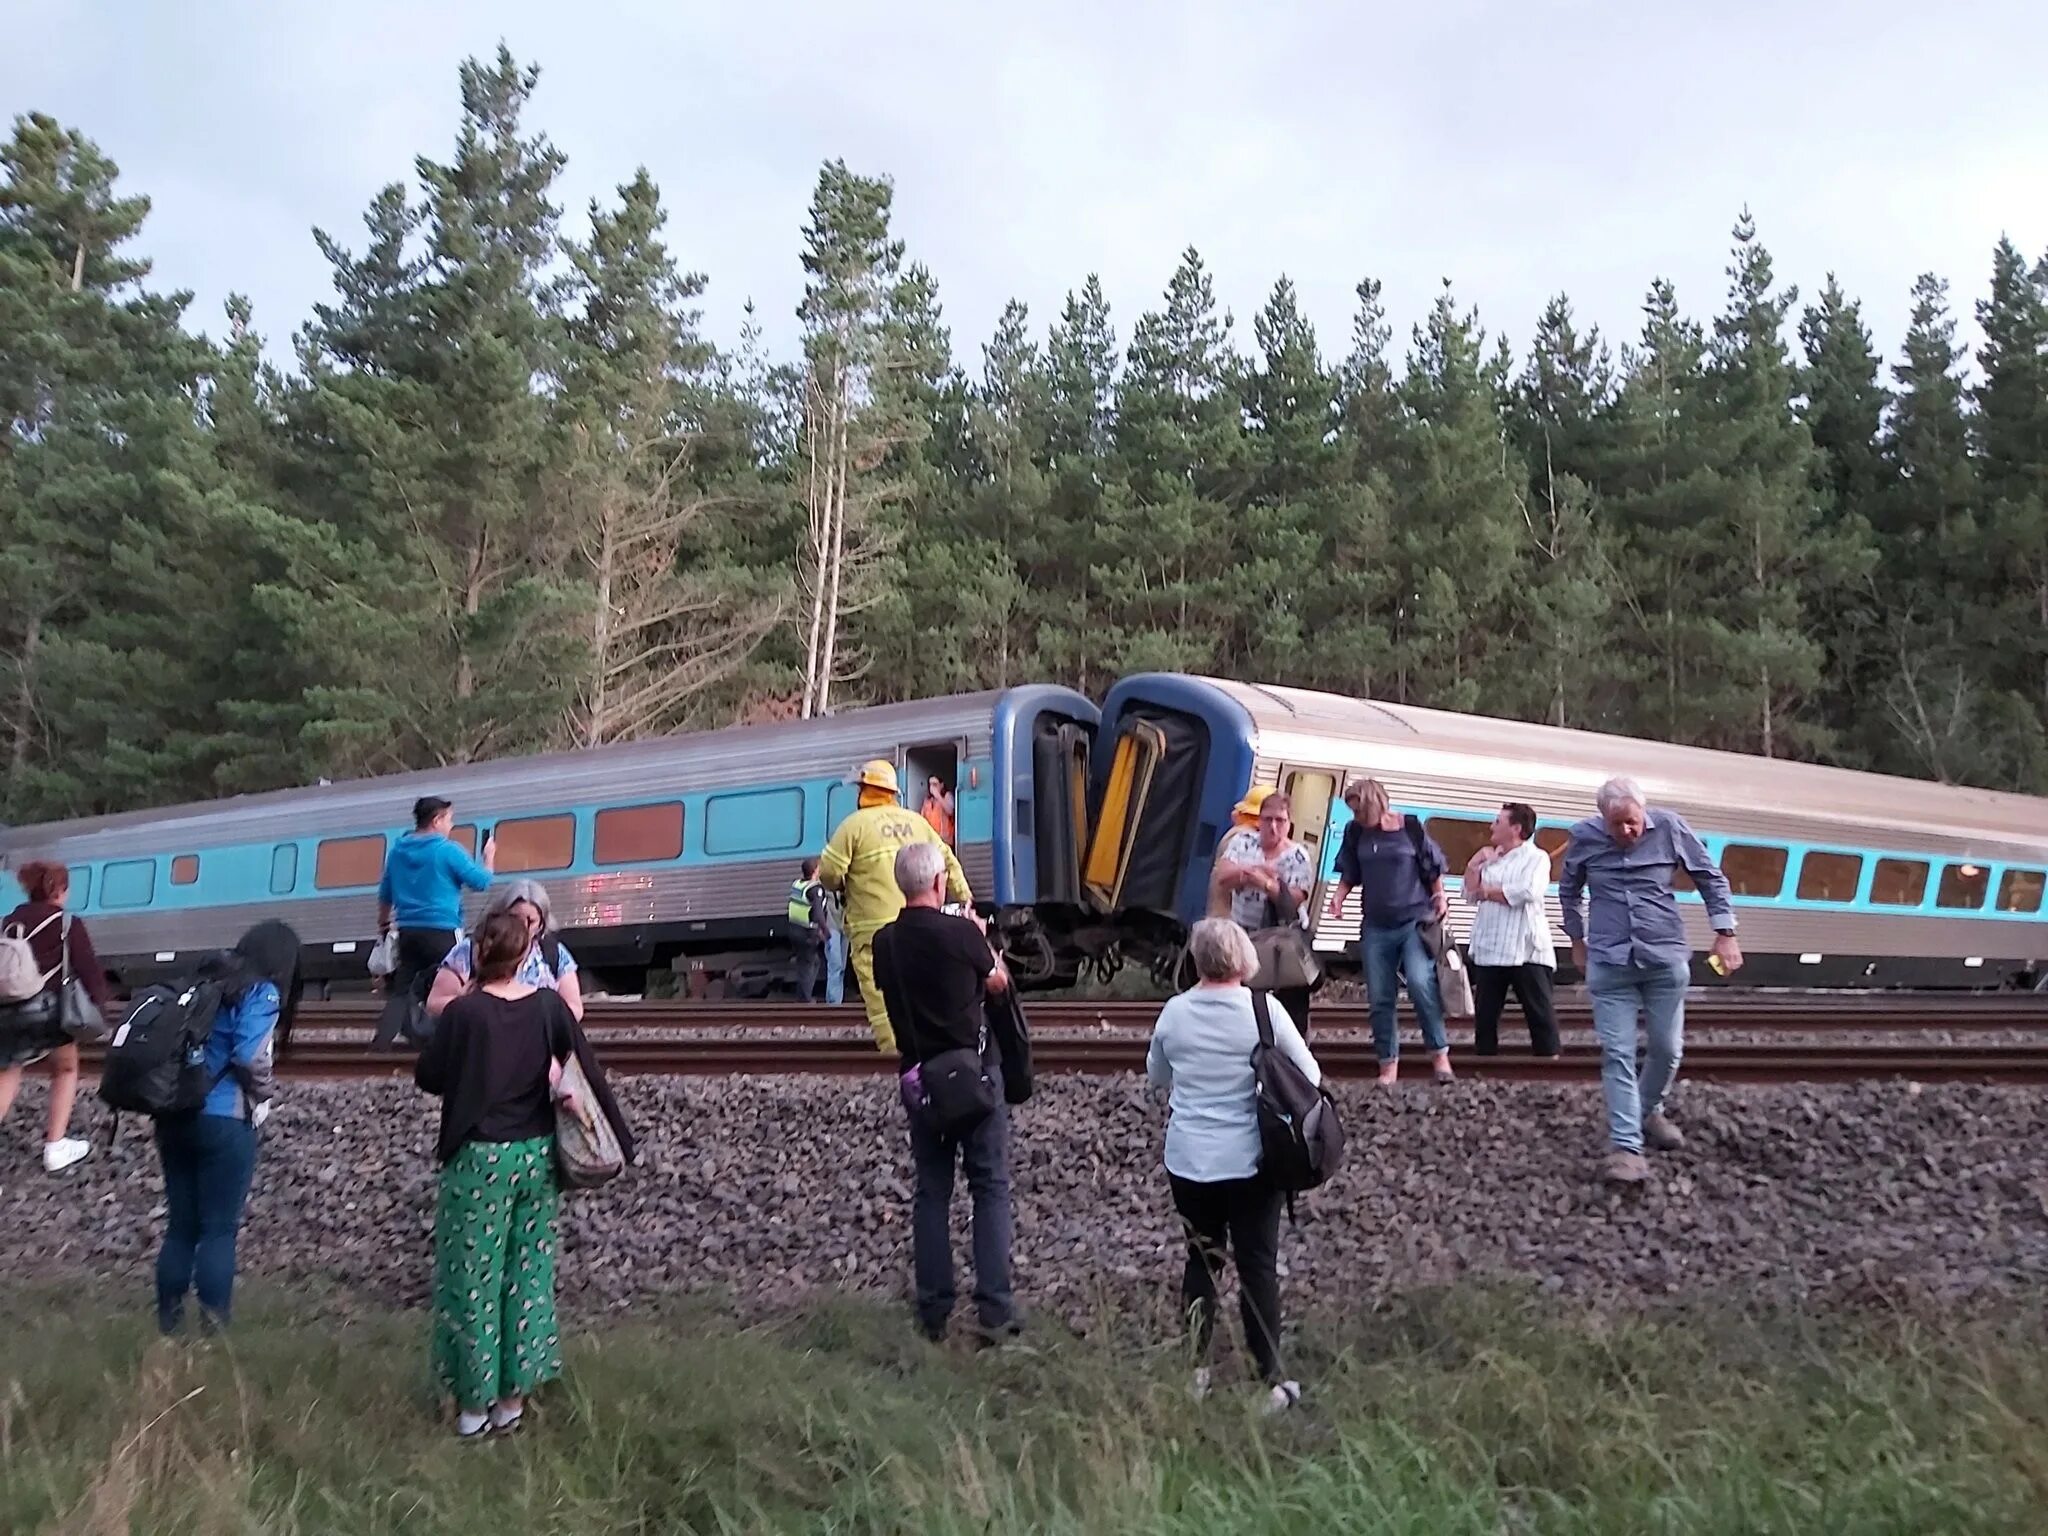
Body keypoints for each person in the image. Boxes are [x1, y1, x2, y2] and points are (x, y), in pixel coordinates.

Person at [416, 910, 632, 1438]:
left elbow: (430, 1077)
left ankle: (473, 1408)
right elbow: (581, 1063)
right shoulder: (547, 1007)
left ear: (478, 956)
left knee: (473, 1280)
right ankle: (512, 1400)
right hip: (537, 1158)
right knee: (527, 1277)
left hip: (479, 1160)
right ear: (525, 956)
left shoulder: (465, 1014)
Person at [1145, 917, 1318, 1413]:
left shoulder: (1175, 1013)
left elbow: (1156, 1075)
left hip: (1189, 1161)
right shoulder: (1264, 1011)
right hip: (1252, 1163)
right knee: (1257, 1267)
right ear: (1243, 958)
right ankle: (1271, 1381)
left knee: (1201, 1262)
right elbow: (1310, 1073)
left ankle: (1195, 1372)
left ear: (1199, 960)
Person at [1560, 776, 1741, 1185]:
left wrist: (1725, 932)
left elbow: (1710, 878)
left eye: (1633, 822)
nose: (1626, 831)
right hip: (1610, 961)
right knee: (1618, 1053)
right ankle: (1627, 1149)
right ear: (1602, 819)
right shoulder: (1583, 837)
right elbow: (1569, 890)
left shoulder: (1671, 828)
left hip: (1664, 958)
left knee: (1667, 1048)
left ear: (1645, 812)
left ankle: (1646, 1110)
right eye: (1617, 825)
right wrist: (1577, 940)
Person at [872, 841, 1017, 1345]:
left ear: (901, 886)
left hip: (921, 1081)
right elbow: (1000, 984)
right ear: (938, 884)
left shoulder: (883, 942)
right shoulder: (961, 933)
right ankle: (995, 1310)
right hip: (976, 1078)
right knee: (989, 1186)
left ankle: (933, 1310)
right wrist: (983, 939)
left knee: (932, 1193)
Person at [154, 921, 301, 1334]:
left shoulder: (207, 976)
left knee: (181, 1226)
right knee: (218, 1230)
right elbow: (249, 1055)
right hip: (224, 1122)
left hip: (173, 1115)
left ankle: (169, 1326)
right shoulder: (263, 990)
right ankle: (214, 1332)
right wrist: (266, 1092)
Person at [820, 758, 973, 1053]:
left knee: (881, 998)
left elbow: (828, 873)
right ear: (891, 792)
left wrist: (840, 883)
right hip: (920, 922)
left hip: (872, 929)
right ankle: (931, 1050)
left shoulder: (853, 826)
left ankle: (894, 1054)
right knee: (921, 987)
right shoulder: (916, 822)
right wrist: (964, 897)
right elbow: (947, 861)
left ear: (864, 790)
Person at [1326, 779, 1453, 1084]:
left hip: (1414, 921)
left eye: (1359, 810)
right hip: (1375, 925)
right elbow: (1350, 870)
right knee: (1381, 997)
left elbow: (1431, 867)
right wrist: (1339, 898)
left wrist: (1439, 896)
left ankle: (1440, 1057)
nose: (1355, 817)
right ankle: (1388, 1064)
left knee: (1422, 985)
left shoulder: (1409, 827)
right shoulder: (1356, 832)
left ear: (1375, 805)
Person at [0, 860, 113, 1172]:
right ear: (58, 889)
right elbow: (90, 971)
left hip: (8, 1012)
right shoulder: (67, 923)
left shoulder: (9, 922)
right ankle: (55, 1146)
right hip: (49, 1013)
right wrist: (100, 1009)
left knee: (8, 1072)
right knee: (65, 1068)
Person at [376, 796, 495, 1047]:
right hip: (442, 930)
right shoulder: (447, 850)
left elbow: (385, 893)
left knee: (402, 989)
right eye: (450, 820)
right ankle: (455, 1038)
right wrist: (488, 858)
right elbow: (481, 881)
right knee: (458, 982)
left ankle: (381, 1044)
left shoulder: (397, 852)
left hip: (408, 931)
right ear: (437, 820)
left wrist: (383, 925)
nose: (451, 825)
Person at [1210, 791, 1316, 1036]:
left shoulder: (1298, 855)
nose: (1273, 827)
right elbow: (1222, 876)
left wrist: (1262, 884)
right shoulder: (1243, 842)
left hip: (1284, 937)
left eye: (1280, 821)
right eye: (1268, 820)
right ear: (1259, 821)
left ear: (1289, 824)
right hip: (1245, 930)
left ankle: (1293, 1049)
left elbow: (1294, 900)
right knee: (1245, 992)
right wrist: (1255, 869)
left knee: (1290, 995)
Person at [1463, 802, 1561, 1057]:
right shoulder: (1491, 858)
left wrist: (1488, 892)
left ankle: (1548, 1060)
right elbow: (1469, 894)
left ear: (1516, 828)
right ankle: (1484, 1063)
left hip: (1525, 947)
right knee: (1485, 1015)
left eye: (1498, 821)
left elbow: (1528, 891)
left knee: (1538, 1011)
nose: (1491, 826)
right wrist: (1474, 865)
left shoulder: (1536, 858)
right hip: (1490, 944)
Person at [426, 879, 584, 1022]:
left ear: (542, 924)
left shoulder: (554, 953)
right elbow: (435, 1003)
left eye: (531, 921)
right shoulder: (469, 950)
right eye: (514, 918)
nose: (522, 927)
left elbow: (575, 1009)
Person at [787, 857, 830, 1001]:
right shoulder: (814, 889)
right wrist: (826, 931)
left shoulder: (797, 884)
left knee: (807, 963)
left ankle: (802, 997)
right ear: (815, 871)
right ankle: (805, 1000)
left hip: (794, 930)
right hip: (807, 934)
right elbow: (818, 913)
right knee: (808, 965)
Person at [919, 776, 957, 843]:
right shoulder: (927, 800)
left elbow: (950, 811)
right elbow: (922, 818)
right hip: (931, 839)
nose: (932, 787)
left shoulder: (947, 796)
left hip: (945, 839)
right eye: (930, 784)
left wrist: (938, 796)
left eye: (935, 784)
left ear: (941, 785)